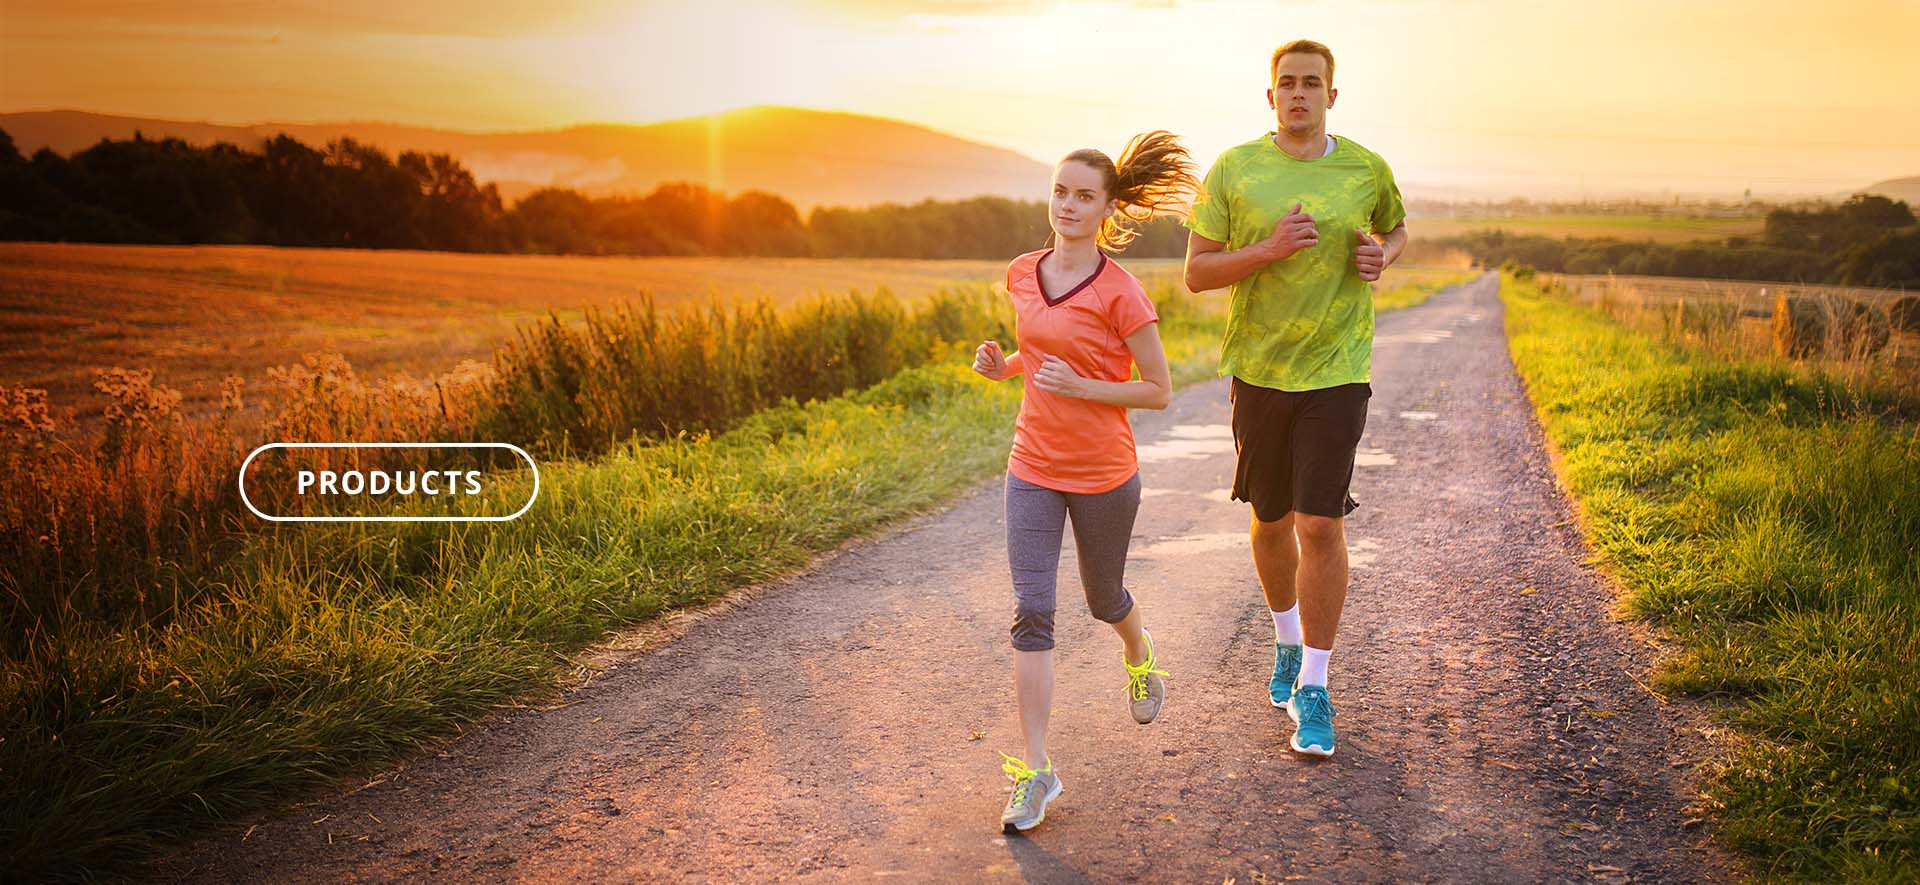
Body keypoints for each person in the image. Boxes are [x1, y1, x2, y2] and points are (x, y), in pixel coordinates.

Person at [1182, 39, 1409, 758]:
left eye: (1313, 83)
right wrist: (1268, 251)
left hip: (1337, 369)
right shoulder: (1236, 170)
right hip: (1259, 369)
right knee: (1271, 519)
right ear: (1271, 95)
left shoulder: (1366, 168)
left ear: (1332, 97)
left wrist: (1383, 254)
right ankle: (1285, 640)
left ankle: (1315, 683)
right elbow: (1196, 273)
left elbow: (1396, 228)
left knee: (1318, 523)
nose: (1300, 93)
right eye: (1288, 83)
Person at [971, 130, 1196, 833]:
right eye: (1060, 191)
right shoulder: (1020, 270)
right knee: (1033, 610)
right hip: (1031, 467)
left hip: (1103, 475)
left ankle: (1140, 652)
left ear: (1107, 209)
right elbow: (1037, 351)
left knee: (1104, 600)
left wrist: (1087, 386)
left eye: (1083, 196)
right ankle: (1036, 770)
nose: (1067, 205)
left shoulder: (1122, 292)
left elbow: (1158, 390)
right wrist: (1002, 364)